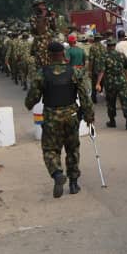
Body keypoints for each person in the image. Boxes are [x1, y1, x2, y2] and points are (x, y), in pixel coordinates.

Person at [25, 41, 94, 198]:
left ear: (49, 56)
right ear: (63, 54)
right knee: (72, 149)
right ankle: (74, 183)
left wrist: (29, 103)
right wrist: (89, 116)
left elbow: (31, 100)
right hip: (71, 116)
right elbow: (85, 96)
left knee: (50, 149)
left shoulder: (42, 73)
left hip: (51, 117)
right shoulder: (74, 72)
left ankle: (57, 174)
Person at [96, 38, 127, 130]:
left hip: (110, 82)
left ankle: (112, 121)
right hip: (122, 81)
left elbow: (102, 71)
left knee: (111, 103)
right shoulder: (121, 55)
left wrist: (98, 83)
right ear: (114, 46)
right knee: (125, 101)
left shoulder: (104, 56)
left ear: (107, 47)